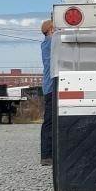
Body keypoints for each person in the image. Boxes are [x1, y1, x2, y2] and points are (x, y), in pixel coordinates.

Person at [40, 18, 55, 164]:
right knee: (49, 121)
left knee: (49, 121)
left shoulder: (46, 43)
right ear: (51, 30)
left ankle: (48, 154)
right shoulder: (51, 42)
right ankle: (46, 155)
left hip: (49, 87)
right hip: (51, 87)